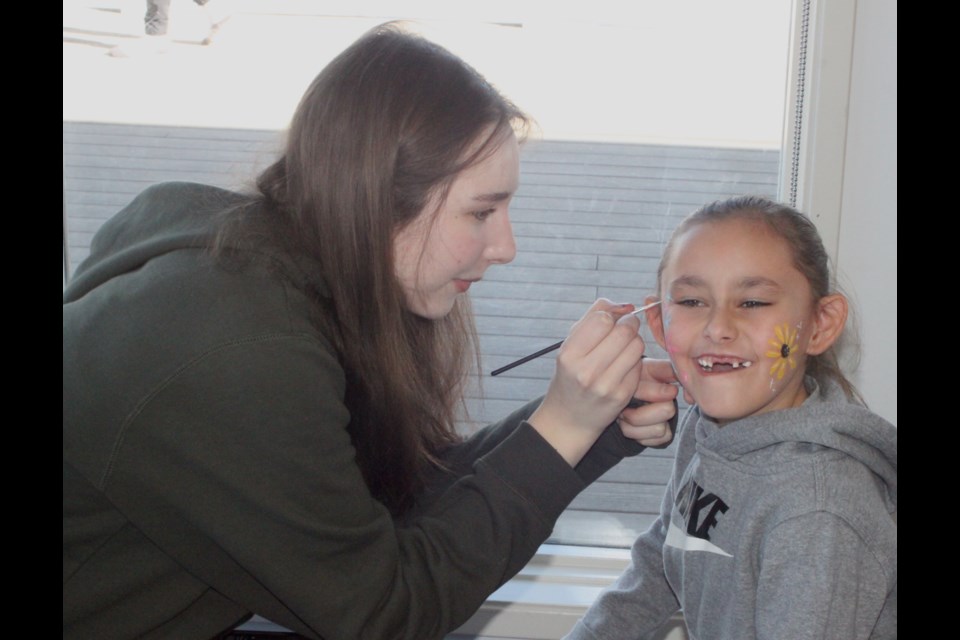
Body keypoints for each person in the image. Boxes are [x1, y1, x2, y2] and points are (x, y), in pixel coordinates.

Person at [63, 24, 678, 640]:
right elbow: (382, 613)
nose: (506, 247)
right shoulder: (236, 351)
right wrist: (561, 428)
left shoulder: (282, 277)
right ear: (379, 200)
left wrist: (587, 425)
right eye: (481, 211)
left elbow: (387, 502)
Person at [565, 196, 897, 640]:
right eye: (691, 300)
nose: (718, 326)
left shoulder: (818, 511)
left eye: (754, 302)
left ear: (820, 324)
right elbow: (668, 551)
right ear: (660, 325)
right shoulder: (708, 429)